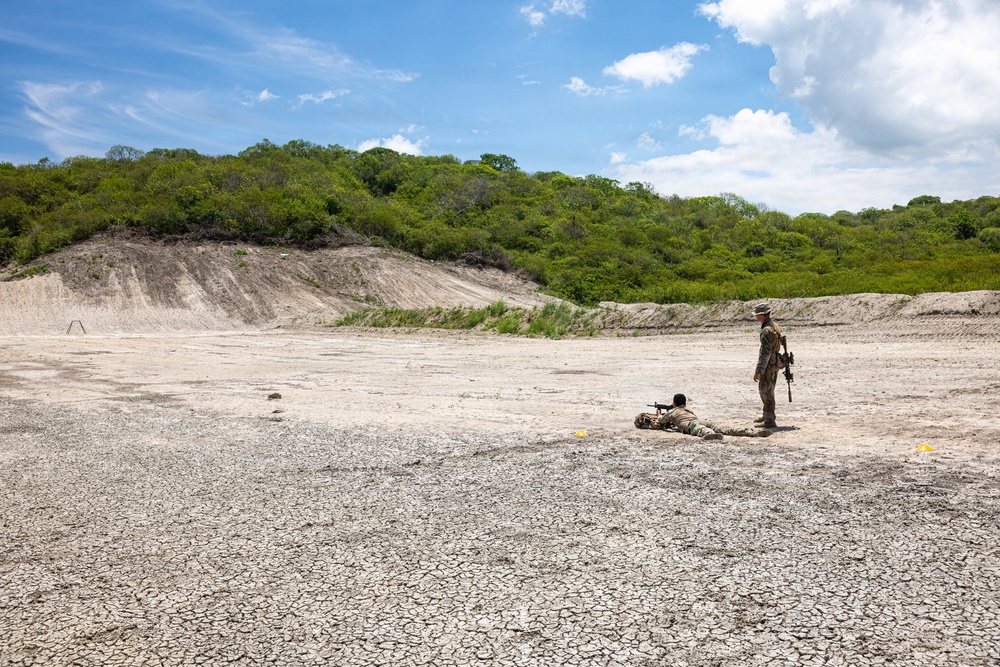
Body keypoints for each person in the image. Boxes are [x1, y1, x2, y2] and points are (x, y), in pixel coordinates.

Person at [655, 393, 771, 441]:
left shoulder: (672, 411)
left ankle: (710, 434)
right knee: (724, 428)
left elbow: (661, 420)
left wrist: (659, 413)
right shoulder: (688, 409)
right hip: (700, 420)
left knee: (702, 431)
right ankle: (751, 432)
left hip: (692, 425)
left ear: (674, 403)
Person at [753, 303, 780, 428]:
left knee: (766, 390)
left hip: (769, 365)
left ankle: (769, 419)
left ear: (763, 315)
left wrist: (759, 370)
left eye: (757, 315)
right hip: (773, 363)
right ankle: (766, 414)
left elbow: (765, 353)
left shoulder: (767, 331)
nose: (756, 317)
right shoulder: (773, 325)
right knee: (767, 389)